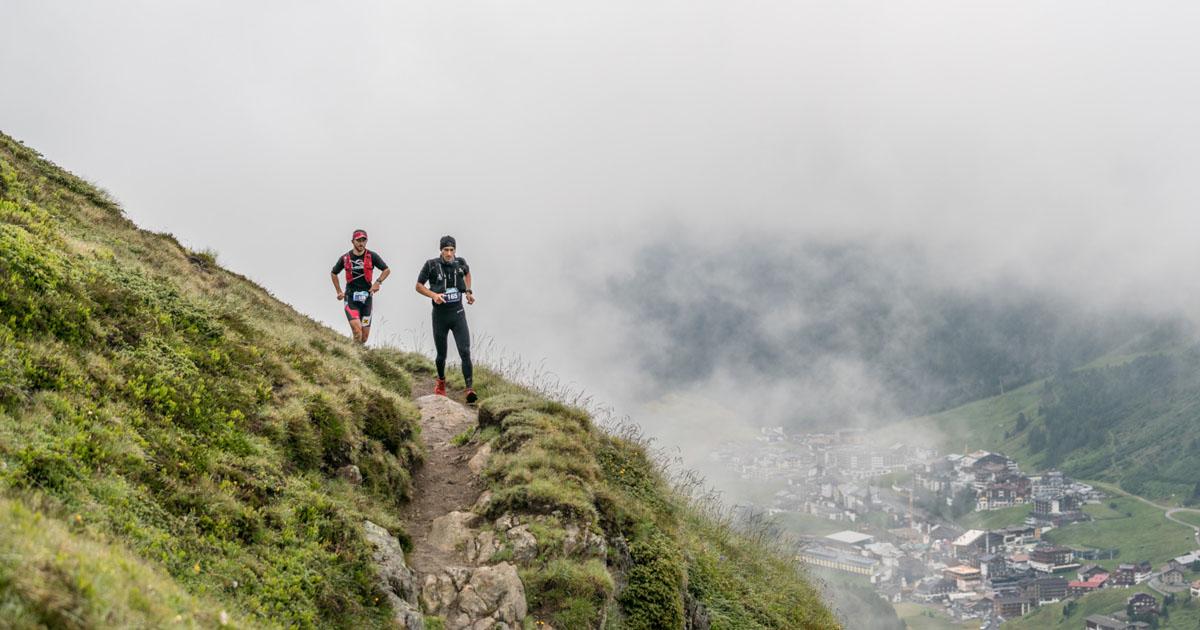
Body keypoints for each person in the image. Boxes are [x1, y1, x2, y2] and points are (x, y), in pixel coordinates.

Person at [415, 235, 476, 402]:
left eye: (451, 250)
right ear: (441, 250)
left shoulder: (460, 262)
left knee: (465, 351)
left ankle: (469, 389)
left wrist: (469, 292)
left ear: (455, 250)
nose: (449, 254)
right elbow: (418, 286)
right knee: (442, 355)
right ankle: (441, 382)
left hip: (458, 314)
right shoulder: (431, 265)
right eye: (446, 250)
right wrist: (433, 295)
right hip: (440, 317)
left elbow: (467, 273)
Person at [330, 229, 390, 344]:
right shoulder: (345, 258)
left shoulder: (372, 256)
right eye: (358, 240)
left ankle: (355, 353)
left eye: (363, 240)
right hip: (350, 298)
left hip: (367, 299)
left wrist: (378, 282)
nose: (361, 243)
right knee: (357, 330)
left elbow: (386, 270)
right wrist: (339, 291)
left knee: (364, 337)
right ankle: (352, 356)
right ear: (352, 241)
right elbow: (334, 273)